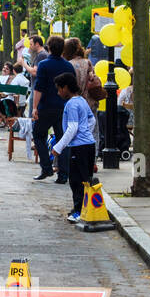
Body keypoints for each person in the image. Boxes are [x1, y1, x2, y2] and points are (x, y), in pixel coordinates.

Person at [52, 72, 99, 223]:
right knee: (85, 177)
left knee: (76, 180)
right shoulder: (82, 101)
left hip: (79, 147)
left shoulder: (71, 104)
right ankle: (84, 207)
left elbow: (72, 128)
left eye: (59, 89)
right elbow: (91, 120)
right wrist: (86, 134)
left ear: (66, 88)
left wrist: (58, 147)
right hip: (89, 144)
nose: (59, 93)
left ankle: (79, 210)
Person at [30, 36, 75, 184]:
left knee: (38, 134)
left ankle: (46, 167)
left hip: (46, 106)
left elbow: (39, 87)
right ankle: (63, 174)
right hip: (64, 107)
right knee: (63, 139)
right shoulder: (68, 66)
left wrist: (35, 107)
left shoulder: (44, 65)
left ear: (49, 47)